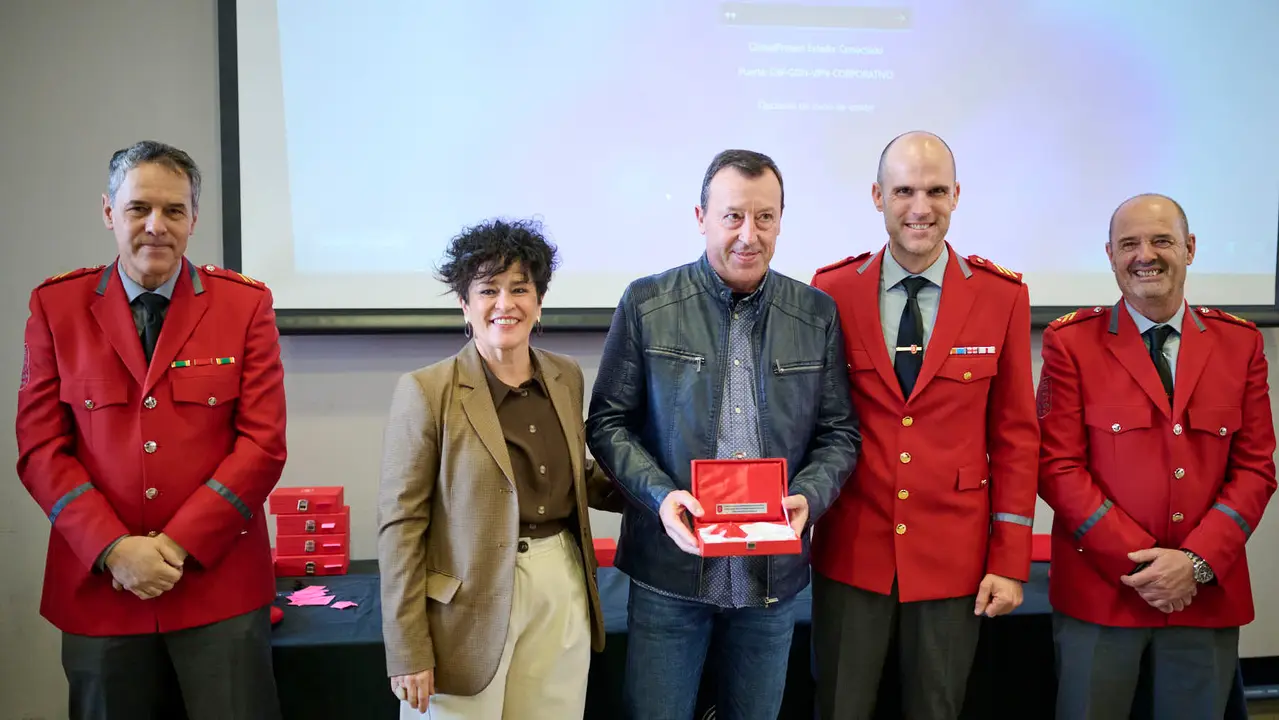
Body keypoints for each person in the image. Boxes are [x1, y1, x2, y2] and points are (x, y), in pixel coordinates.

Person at [15, 140, 287, 719]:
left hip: (219, 588)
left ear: (194, 219)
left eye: (174, 211)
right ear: (109, 213)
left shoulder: (245, 306)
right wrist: (114, 550)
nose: (156, 227)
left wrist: (173, 545)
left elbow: (262, 444)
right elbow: (40, 449)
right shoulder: (55, 307)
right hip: (100, 586)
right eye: (139, 209)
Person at [586, 149, 861, 720]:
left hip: (770, 581)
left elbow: (840, 435)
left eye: (765, 217)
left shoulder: (816, 315)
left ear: (782, 220)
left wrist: (808, 497)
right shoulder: (648, 304)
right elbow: (607, 422)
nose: (749, 235)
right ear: (701, 217)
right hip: (670, 572)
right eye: (733, 216)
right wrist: (662, 498)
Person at [808, 131, 1040, 720]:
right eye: (904, 190)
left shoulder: (1001, 296)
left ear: (957, 195)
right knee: (839, 707)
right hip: (854, 549)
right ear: (877, 196)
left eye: (936, 191)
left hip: (953, 554)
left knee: (937, 709)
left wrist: (1010, 560)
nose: (920, 208)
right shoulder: (831, 291)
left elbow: (1015, 437)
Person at [1037, 193, 1276, 720]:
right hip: (1104, 594)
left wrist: (1192, 564)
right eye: (1129, 244)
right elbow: (1057, 467)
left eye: (1161, 240)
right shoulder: (1070, 342)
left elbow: (1257, 468)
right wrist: (1146, 566)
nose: (1145, 254)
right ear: (1110, 255)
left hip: (1204, 592)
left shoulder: (1240, 344)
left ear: (1189, 249)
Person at [377, 218, 621, 719]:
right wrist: (408, 648)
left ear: (538, 301)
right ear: (465, 304)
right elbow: (401, 528)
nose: (505, 304)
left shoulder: (565, 375)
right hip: (464, 603)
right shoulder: (426, 390)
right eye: (488, 289)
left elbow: (578, 475)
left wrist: (663, 489)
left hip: (561, 580)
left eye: (520, 289)